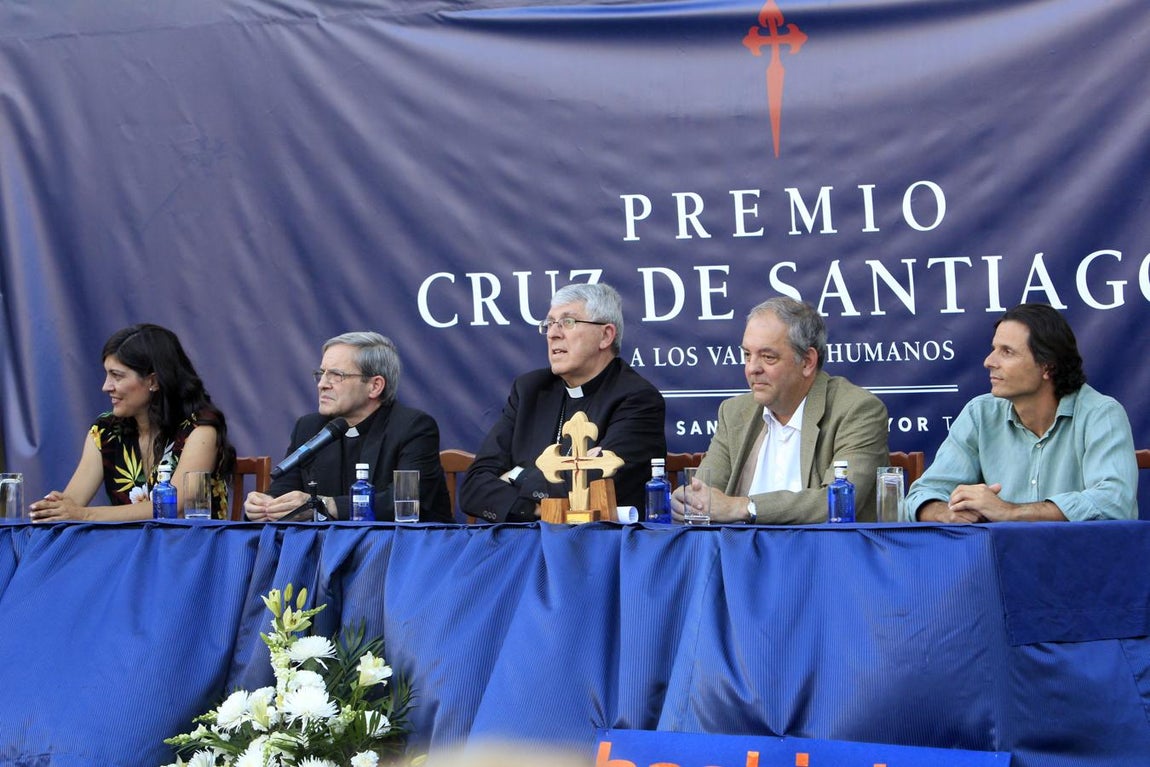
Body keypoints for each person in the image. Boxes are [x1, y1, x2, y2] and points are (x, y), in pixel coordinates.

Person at [905, 303, 1137, 522]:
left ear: (1047, 366)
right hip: (999, 552)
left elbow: (1115, 502)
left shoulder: (1101, 414)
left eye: (1007, 352)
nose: (988, 361)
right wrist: (946, 513)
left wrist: (1009, 512)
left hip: (1076, 552)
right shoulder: (980, 414)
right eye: (994, 349)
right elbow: (920, 496)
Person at [459, 282, 666, 523]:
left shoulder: (637, 399)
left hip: (600, 541)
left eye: (568, 322)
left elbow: (589, 488)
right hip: (525, 537)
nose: (553, 334)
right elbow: (473, 488)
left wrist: (517, 475)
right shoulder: (530, 390)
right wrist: (535, 509)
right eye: (549, 324)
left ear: (605, 335)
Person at [671, 297, 889, 524]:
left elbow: (838, 503)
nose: (752, 368)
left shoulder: (857, 410)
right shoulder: (734, 412)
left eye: (768, 357)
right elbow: (704, 495)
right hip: (741, 546)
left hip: (821, 546)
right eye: (747, 355)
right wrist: (688, 501)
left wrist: (744, 507)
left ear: (807, 361)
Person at [29, 323, 235, 522]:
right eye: (107, 374)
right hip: (127, 544)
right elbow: (73, 504)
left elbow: (174, 507)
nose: (106, 386)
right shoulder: (106, 431)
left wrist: (85, 515)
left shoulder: (200, 430)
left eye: (116, 376)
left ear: (153, 381)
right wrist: (55, 508)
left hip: (190, 544)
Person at [244, 332, 451, 522]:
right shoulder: (310, 427)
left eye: (336, 375)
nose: (322, 384)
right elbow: (284, 491)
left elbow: (404, 501)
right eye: (322, 373)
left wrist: (326, 505)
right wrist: (265, 506)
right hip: (327, 546)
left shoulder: (413, 427)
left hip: (397, 545)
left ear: (375, 386)